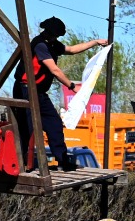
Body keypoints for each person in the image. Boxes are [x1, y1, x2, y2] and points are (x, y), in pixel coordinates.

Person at [12, 17, 109, 172]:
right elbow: (55, 70)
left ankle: (63, 160)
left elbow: (71, 49)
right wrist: (72, 86)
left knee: (54, 123)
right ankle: (23, 163)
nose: (56, 38)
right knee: (27, 127)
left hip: (38, 92)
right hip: (25, 90)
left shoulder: (52, 44)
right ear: (49, 32)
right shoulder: (40, 45)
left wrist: (95, 42)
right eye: (55, 35)